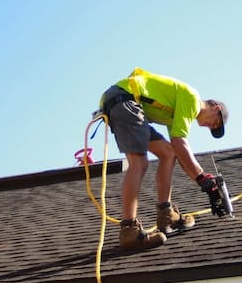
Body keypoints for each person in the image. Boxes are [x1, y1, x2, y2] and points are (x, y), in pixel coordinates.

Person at [98, 68, 229, 250]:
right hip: (124, 100)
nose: (209, 126)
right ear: (216, 108)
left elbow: (177, 149)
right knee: (139, 162)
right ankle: (129, 231)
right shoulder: (192, 99)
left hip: (126, 104)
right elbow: (181, 142)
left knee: (168, 153)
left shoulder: (177, 112)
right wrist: (202, 178)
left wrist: (202, 180)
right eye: (215, 122)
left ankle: (166, 214)